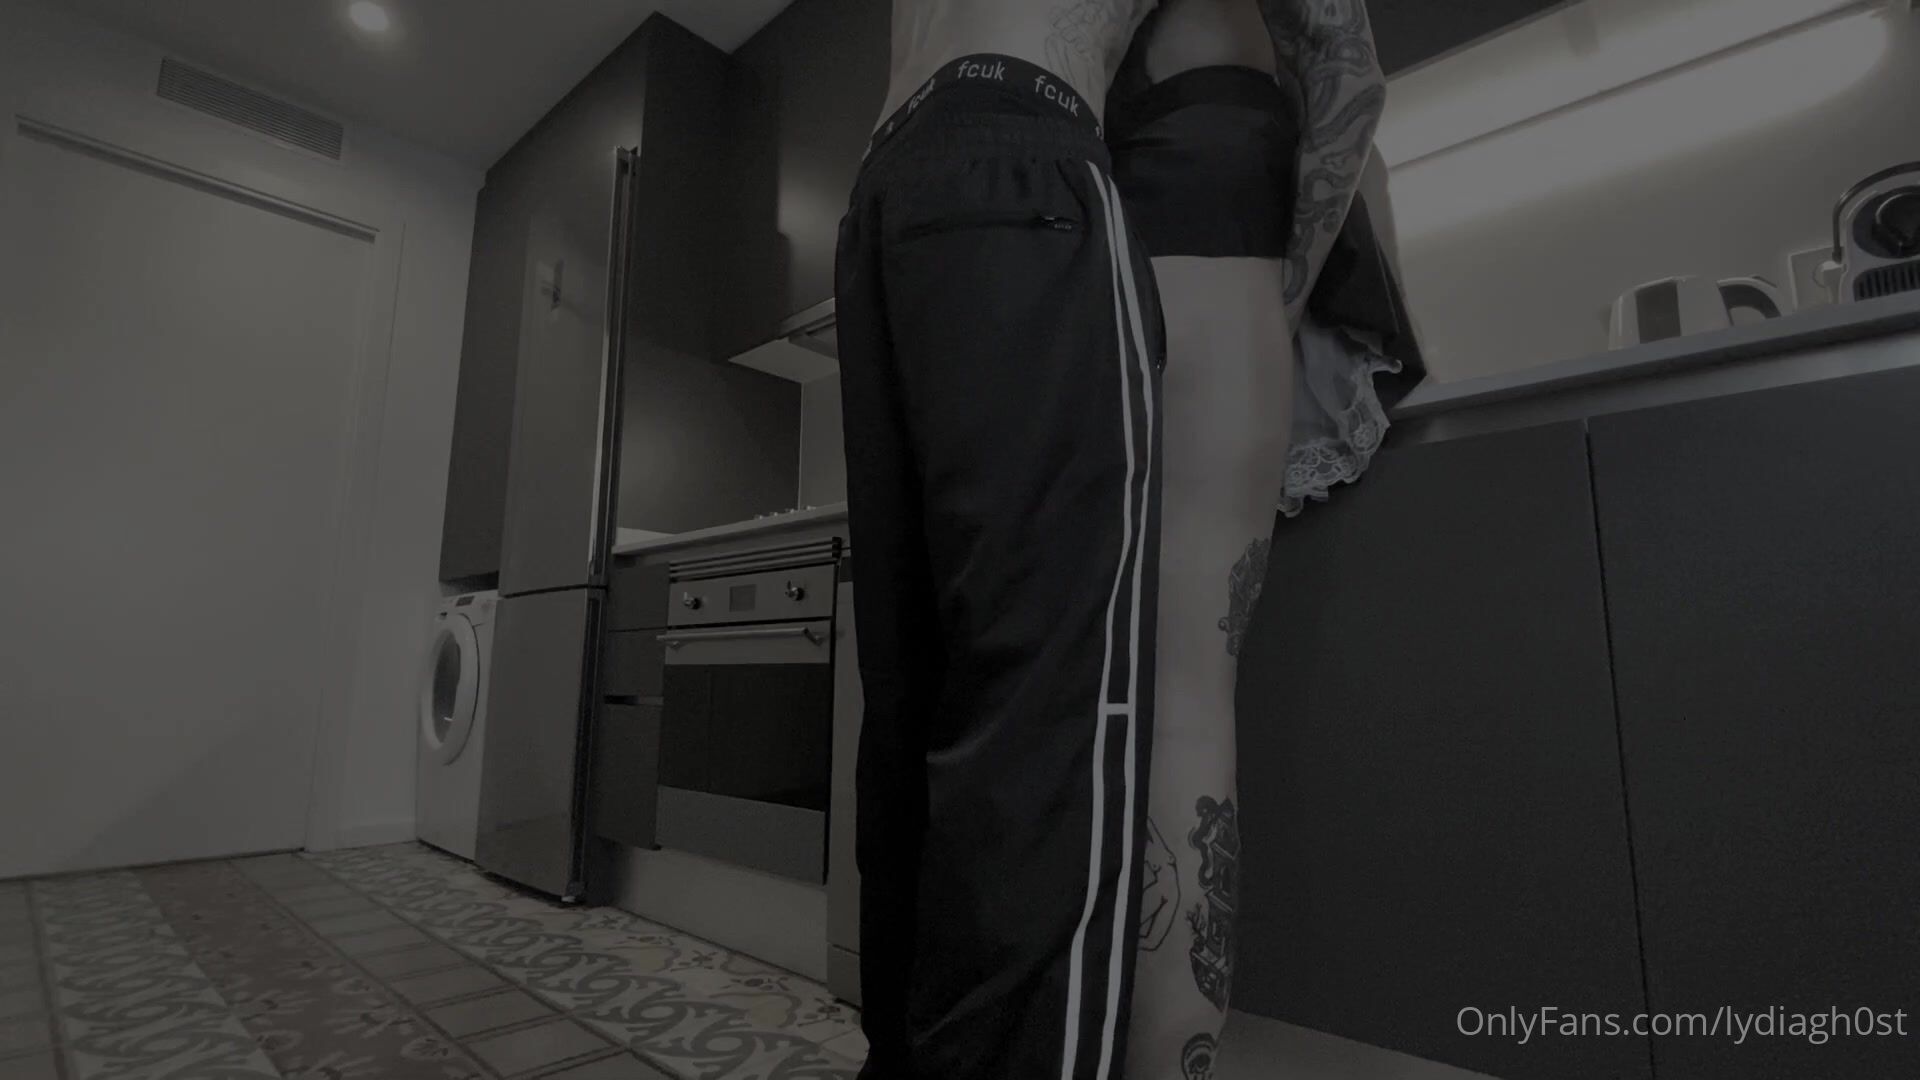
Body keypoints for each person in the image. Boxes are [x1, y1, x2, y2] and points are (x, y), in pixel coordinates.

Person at [837, 3, 1166, 1078]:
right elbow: (1341, 77)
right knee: (1048, 712)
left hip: (885, 183)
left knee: (916, 701)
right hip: (1030, 150)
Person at [1101, 0, 1421, 1076]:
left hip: (1076, 238)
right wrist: (1280, 300)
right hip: (1208, 230)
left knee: (1061, 706)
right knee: (1184, 703)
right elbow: (1345, 67)